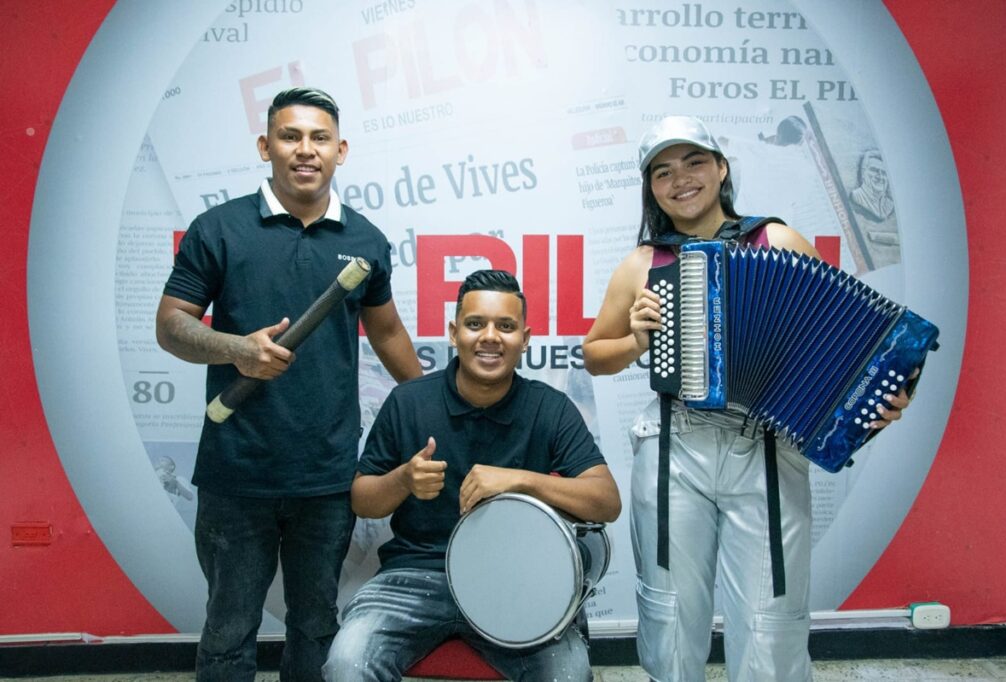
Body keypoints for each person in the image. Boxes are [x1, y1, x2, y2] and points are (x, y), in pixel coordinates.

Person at [581, 116, 913, 682]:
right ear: (651, 188)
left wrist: (880, 395)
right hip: (673, 450)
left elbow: (845, 333)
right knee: (669, 610)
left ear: (721, 168)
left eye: (693, 162)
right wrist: (637, 340)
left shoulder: (777, 241)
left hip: (765, 450)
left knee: (771, 619)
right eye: (663, 171)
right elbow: (595, 354)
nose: (680, 179)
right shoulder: (643, 263)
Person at [155, 87, 422, 681]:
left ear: (341, 150)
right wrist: (236, 350)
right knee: (228, 631)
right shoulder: (218, 229)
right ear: (265, 145)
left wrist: (435, 404)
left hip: (326, 477)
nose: (306, 150)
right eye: (290, 135)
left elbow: (388, 333)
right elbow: (170, 327)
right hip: (237, 472)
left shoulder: (365, 242)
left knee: (316, 627)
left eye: (319, 137)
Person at [322, 269, 622, 682]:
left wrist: (520, 480)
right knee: (346, 664)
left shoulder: (549, 408)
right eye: (475, 324)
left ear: (526, 338)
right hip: (414, 576)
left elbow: (607, 501)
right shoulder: (408, 402)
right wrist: (403, 481)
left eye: (506, 326)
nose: (490, 337)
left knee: (569, 673)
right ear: (453, 333)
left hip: (518, 581)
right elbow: (361, 498)